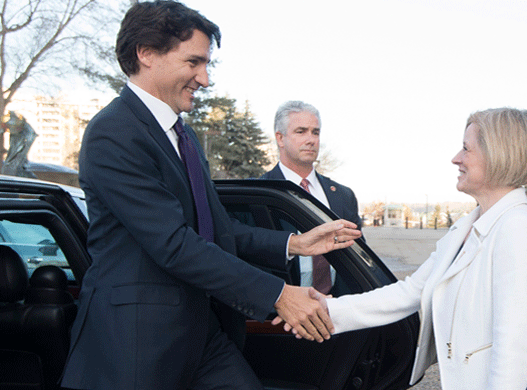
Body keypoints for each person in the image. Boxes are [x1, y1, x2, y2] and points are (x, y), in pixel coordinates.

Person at [60, 2, 361, 389]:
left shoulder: (183, 137)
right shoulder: (114, 132)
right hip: (138, 342)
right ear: (146, 54)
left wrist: (295, 243)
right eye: (193, 63)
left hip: (202, 332)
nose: (204, 78)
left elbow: (215, 229)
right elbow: (174, 243)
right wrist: (277, 294)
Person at [277, 107, 527, 390]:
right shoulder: (467, 226)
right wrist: (325, 308)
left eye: (466, 149)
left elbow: (514, 349)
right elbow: (410, 291)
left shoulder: (520, 228)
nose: (456, 158)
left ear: (498, 155)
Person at [261, 100, 362, 294]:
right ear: (280, 138)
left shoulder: (343, 196)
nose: (311, 140)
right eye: (301, 131)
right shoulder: (260, 193)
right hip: (281, 315)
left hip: (337, 311)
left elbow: (357, 258)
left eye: (315, 132)